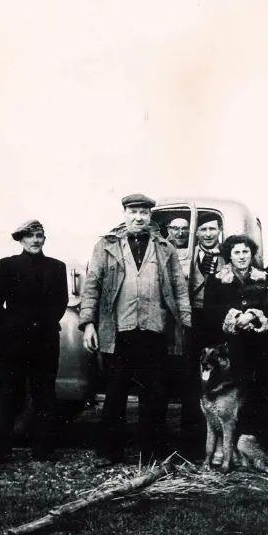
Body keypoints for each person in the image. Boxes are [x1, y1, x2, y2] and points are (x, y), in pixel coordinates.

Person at [79, 194, 191, 467]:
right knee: (115, 393)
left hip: (154, 331)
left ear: (150, 215)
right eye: (133, 212)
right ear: (124, 213)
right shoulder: (106, 246)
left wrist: (186, 325)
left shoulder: (165, 248)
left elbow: (179, 289)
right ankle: (109, 451)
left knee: (154, 394)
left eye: (143, 212)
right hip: (119, 331)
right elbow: (92, 286)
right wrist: (88, 323)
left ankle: (150, 453)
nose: (138, 217)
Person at [0, 220, 68, 464]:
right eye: (30, 236)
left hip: (45, 341)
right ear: (20, 240)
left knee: (44, 394)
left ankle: (43, 450)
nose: (35, 240)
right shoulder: (7, 265)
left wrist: (43, 325)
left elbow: (61, 302)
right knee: (7, 393)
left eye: (39, 235)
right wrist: (7, 328)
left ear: (44, 239)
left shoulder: (56, 267)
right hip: (13, 342)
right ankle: (0, 449)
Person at [204, 234, 268, 462]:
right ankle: (222, 449)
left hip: (256, 348)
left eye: (246, 252)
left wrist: (253, 315)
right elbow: (210, 310)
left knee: (254, 394)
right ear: (229, 255)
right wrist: (235, 316)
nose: (242, 256)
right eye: (237, 252)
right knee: (227, 396)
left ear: (251, 254)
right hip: (229, 348)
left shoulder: (263, 279)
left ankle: (246, 444)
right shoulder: (216, 280)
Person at [180, 213, 226, 456]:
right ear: (196, 233)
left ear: (219, 230)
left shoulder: (228, 255)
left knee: (218, 381)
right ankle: (190, 445)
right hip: (193, 322)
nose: (208, 234)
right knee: (191, 379)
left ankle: (218, 446)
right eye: (203, 230)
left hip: (218, 325)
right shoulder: (185, 258)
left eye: (212, 229)